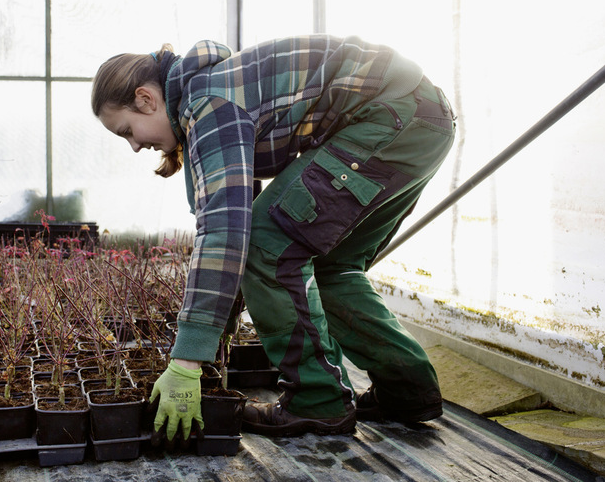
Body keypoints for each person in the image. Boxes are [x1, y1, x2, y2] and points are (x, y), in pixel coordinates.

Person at [91, 35, 455, 441]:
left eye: (127, 131)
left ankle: (318, 401)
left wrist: (187, 362)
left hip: (389, 120)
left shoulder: (208, 102)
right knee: (332, 267)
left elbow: (227, 236)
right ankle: (408, 391)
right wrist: (216, 338)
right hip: (421, 121)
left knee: (269, 244)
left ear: (145, 99)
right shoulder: (208, 99)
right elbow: (229, 226)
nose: (134, 146)